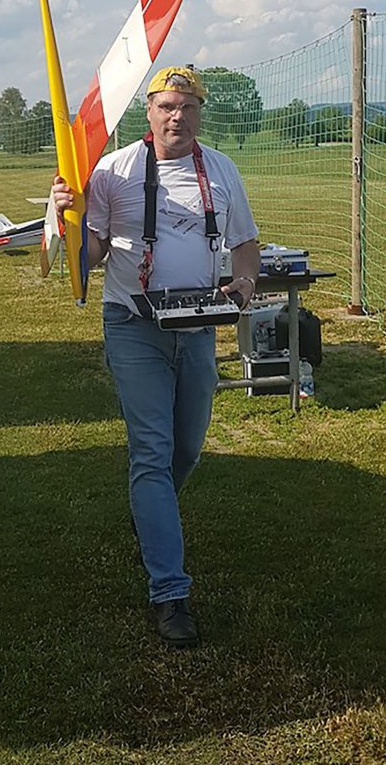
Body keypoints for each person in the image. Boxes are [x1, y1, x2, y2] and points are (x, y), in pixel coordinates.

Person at [52, 66, 260, 650]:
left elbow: (245, 244)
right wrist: (68, 217)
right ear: (149, 111)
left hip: (197, 326)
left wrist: (244, 285)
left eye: (188, 107)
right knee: (151, 450)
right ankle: (170, 592)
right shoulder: (115, 170)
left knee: (186, 449)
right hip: (133, 324)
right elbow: (91, 253)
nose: (177, 117)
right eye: (167, 106)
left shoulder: (221, 169)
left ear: (200, 113)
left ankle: (150, 515)